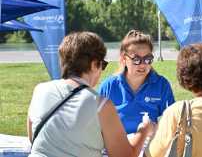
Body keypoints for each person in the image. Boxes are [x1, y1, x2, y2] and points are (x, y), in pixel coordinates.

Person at [27, 31, 155, 157]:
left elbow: (34, 138)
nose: (102, 71)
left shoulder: (40, 90)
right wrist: (143, 131)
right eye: (103, 65)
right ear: (94, 64)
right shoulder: (101, 105)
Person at [98, 30, 175, 134]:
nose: (143, 65)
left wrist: (156, 128)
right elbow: (97, 126)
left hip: (151, 147)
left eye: (148, 59)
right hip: (117, 148)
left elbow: (172, 123)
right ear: (124, 59)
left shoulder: (161, 85)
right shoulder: (109, 86)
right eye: (136, 59)